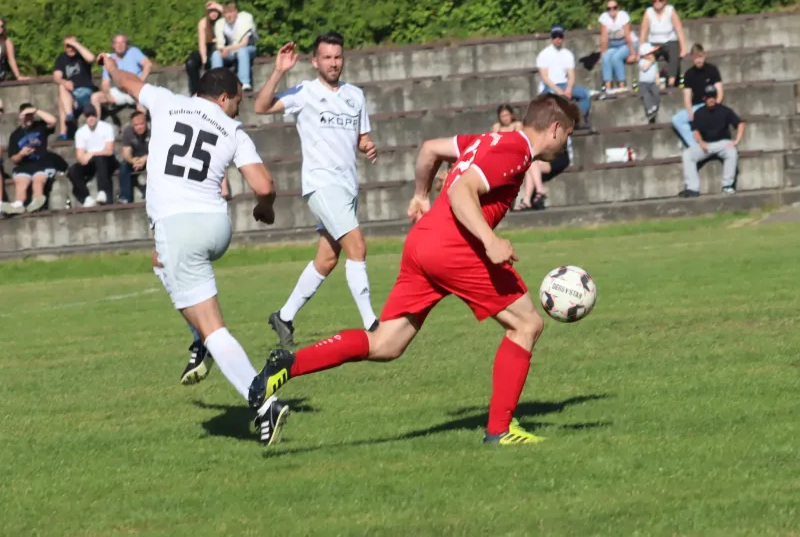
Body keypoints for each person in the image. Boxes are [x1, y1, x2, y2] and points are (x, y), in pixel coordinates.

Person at [249, 93, 580, 446]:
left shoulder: (488, 139)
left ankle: (285, 366)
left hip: (423, 241)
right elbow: (462, 191)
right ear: (555, 128)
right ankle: (499, 430)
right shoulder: (516, 150)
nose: (567, 142)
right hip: (456, 247)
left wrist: (421, 195)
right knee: (527, 323)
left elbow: (429, 149)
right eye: (569, 135)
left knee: (386, 344)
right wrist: (490, 241)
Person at [98, 53, 289, 446]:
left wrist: (111, 66)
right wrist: (263, 209)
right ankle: (202, 341)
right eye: (237, 99)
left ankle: (262, 400)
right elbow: (265, 186)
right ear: (222, 98)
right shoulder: (234, 131)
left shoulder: (167, 101)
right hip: (216, 227)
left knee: (212, 326)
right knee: (160, 263)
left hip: (178, 226)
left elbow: (126, 82)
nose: (239, 106)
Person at [253, 33, 379, 347]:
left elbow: (361, 138)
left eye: (338, 57)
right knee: (358, 247)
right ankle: (372, 324)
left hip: (348, 187)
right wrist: (279, 71)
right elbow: (261, 106)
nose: (334, 63)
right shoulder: (305, 93)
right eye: (327, 58)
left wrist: (368, 146)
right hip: (322, 185)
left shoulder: (355, 96)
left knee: (327, 259)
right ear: (315, 62)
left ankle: (283, 316)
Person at [680, 85, 745, 198]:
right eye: (708, 97)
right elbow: (695, 131)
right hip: (705, 145)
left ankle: (727, 186)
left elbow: (740, 123)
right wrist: (701, 142)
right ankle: (692, 188)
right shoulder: (699, 113)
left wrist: (737, 140)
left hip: (723, 143)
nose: (711, 99)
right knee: (687, 154)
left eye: (713, 96)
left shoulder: (725, 110)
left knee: (732, 152)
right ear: (704, 98)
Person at [0, 104, 57, 215]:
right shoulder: (15, 135)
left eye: (30, 115)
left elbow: (53, 121)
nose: (28, 118)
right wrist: (21, 154)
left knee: (38, 180)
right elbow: (14, 159)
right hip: (23, 166)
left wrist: (35, 110)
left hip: (42, 164)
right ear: (20, 116)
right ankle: (18, 205)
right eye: (26, 115)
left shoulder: (40, 126)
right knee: (21, 181)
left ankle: (36, 202)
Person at [536, 25, 591, 124]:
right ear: (552, 38)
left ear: (563, 37)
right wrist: (559, 91)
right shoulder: (544, 54)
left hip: (564, 84)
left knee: (585, 94)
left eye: (560, 36)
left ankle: (578, 119)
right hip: (549, 86)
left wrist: (569, 89)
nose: (557, 39)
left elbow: (571, 75)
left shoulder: (567, 54)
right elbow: (544, 77)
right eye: (555, 36)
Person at [672, 44, 723, 147]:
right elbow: (687, 97)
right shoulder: (689, 74)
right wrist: (691, 115)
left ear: (704, 55)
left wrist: (715, 108)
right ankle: (695, 145)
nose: (698, 60)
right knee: (676, 119)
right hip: (696, 107)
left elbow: (720, 92)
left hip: (710, 104)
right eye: (695, 58)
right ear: (692, 58)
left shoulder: (712, 70)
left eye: (700, 57)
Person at [90, 34, 152, 116]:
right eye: (117, 43)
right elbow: (105, 82)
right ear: (113, 45)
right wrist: (107, 95)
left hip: (135, 89)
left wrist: (140, 80)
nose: (120, 45)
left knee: (141, 100)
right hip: (120, 92)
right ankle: (97, 125)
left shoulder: (133, 51)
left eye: (122, 42)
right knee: (95, 97)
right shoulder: (109, 59)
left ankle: (142, 125)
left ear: (126, 44)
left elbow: (148, 64)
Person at [639, 0, 687, 88]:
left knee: (674, 55)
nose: (657, 2)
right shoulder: (648, 12)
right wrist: (640, 50)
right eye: (654, 1)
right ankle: (650, 83)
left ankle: (671, 83)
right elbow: (643, 32)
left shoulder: (670, 10)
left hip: (670, 40)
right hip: (654, 42)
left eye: (660, 0)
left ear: (664, 1)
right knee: (646, 58)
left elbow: (678, 28)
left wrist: (683, 48)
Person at [53, 35, 96, 139]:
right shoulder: (61, 58)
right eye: (68, 46)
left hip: (86, 92)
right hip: (72, 95)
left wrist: (75, 44)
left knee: (61, 101)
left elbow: (91, 58)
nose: (70, 48)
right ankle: (69, 118)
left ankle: (64, 132)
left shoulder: (82, 56)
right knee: (61, 88)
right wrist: (64, 82)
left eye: (72, 45)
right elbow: (56, 77)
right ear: (64, 46)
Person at [211, 2, 258, 91]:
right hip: (232, 50)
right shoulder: (220, 23)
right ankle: (218, 84)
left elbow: (244, 43)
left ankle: (244, 83)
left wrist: (227, 48)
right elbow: (220, 43)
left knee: (242, 51)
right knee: (216, 54)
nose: (228, 15)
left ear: (236, 12)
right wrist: (221, 49)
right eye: (225, 13)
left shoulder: (245, 19)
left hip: (248, 48)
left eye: (230, 12)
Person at [598, 0, 638, 92]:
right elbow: (604, 38)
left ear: (618, 8)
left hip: (628, 43)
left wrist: (633, 54)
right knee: (606, 57)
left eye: (614, 8)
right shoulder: (604, 18)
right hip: (615, 45)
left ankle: (621, 85)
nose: (612, 10)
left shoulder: (623, 16)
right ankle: (608, 87)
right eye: (609, 8)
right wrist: (602, 55)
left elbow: (627, 36)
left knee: (616, 58)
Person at [185, 0, 224, 95]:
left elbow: (228, 13)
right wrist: (204, 59)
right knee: (191, 62)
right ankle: (195, 91)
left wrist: (219, 6)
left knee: (214, 60)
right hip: (207, 48)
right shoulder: (203, 23)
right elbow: (201, 43)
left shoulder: (223, 21)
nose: (213, 13)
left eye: (215, 11)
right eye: (211, 11)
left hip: (219, 48)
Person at [119, 111, 149, 203]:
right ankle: (125, 197)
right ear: (132, 125)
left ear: (146, 122)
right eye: (136, 125)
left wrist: (145, 158)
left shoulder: (153, 130)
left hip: (152, 157)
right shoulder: (128, 131)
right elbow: (126, 152)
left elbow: (159, 149)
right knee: (124, 165)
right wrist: (132, 160)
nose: (139, 127)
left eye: (142, 124)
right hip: (136, 159)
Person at [638, 43, 661, 123]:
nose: (652, 55)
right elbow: (644, 68)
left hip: (652, 82)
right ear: (645, 55)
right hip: (643, 83)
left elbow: (656, 71)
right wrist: (650, 62)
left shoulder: (655, 63)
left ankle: (654, 105)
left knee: (656, 93)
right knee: (646, 95)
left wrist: (657, 79)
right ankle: (649, 108)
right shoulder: (642, 61)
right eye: (650, 53)